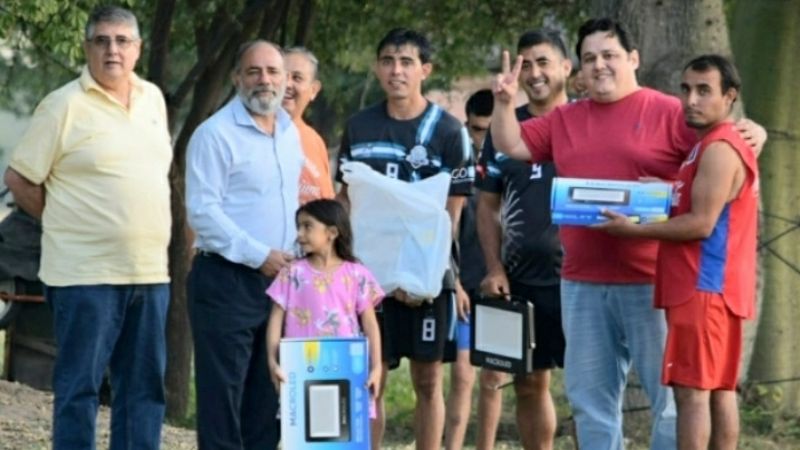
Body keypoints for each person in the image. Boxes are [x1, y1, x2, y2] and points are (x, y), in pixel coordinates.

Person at [489, 18, 766, 450]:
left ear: (632, 59)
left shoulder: (673, 110)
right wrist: (504, 104)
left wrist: (757, 132)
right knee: (590, 402)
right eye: (589, 58)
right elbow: (512, 145)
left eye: (609, 55)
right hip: (581, 280)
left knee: (674, 401)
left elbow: (724, 142)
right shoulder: (565, 118)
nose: (599, 65)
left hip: (653, 280)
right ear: (578, 69)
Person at [3, 5, 172, 448]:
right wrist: (63, 220)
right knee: (80, 389)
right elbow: (20, 179)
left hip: (149, 274)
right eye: (101, 40)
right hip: (85, 275)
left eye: (122, 41)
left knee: (143, 392)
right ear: (87, 48)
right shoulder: (63, 106)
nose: (112, 50)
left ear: (138, 49)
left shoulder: (153, 99)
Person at [596, 54, 757, 450]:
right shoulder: (707, 147)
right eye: (686, 89)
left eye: (704, 90)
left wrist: (631, 230)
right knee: (718, 390)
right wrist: (668, 192)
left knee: (693, 395)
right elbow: (706, 208)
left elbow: (701, 224)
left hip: (702, 287)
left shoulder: (719, 148)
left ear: (729, 96)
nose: (691, 100)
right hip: (715, 288)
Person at [335, 28, 473, 450]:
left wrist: (428, 277)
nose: (397, 70)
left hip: (426, 281)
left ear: (425, 70)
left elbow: (452, 213)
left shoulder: (449, 131)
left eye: (407, 62)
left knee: (429, 378)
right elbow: (345, 199)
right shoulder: (359, 126)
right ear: (378, 68)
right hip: (368, 277)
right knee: (371, 374)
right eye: (389, 61)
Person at [185, 40, 303, 450]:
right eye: (253, 71)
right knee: (223, 404)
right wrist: (261, 255)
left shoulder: (290, 133)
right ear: (237, 78)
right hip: (226, 281)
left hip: (278, 286)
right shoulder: (214, 135)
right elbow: (203, 212)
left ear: (287, 80)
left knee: (267, 400)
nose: (264, 80)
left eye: (273, 71)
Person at [474, 29, 570, 450]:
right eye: (525, 64)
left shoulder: (587, 121)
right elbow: (487, 205)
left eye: (543, 62)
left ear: (567, 67)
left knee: (591, 387)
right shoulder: (503, 129)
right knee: (530, 384)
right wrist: (494, 267)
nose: (534, 73)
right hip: (522, 279)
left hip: (582, 278)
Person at [265, 199, 384, 410]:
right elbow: (276, 319)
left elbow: (370, 324)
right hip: (300, 367)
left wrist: (376, 368)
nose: (300, 234)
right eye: (298, 227)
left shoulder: (357, 274)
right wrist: (273, 361)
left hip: (346, 367)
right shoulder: (292, 273)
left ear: (332, 232)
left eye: (307, 226)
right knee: (303, 432)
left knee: (345, 434)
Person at [443, 88, 492, 450]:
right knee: (462, 374)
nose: (482, 139)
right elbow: (448, 225)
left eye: (489, 131)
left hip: (500, 282)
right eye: (476, 130)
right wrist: (454, 279)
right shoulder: (457, 165)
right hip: (463, 283)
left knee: (494, 376)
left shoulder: (513, 161)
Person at [282, 47, 335, 204]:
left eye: (297, 78)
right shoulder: (253, 135)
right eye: (282, 76)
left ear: (314, 90)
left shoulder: (315, 142)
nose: (287, 84)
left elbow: (326, 201)